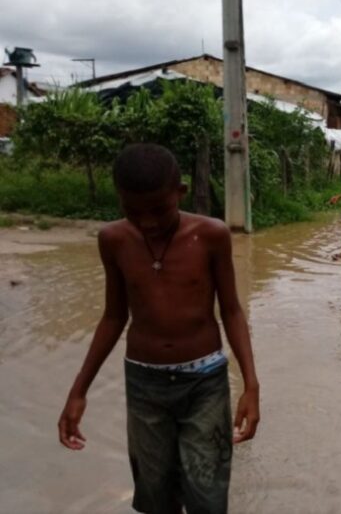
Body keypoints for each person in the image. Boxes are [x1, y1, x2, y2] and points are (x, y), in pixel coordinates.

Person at [57, 144, 260, 514]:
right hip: (144, 384)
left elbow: (231, 309)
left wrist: (251, 384)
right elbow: (114, 316)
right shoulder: (113, 240)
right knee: (155, 496)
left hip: (205, 382)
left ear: (180, 193)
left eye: (159, 210)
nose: (147, 222)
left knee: (208, 494)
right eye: (133, 211)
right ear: (118, 199)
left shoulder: (211, 235)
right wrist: (78, 392)